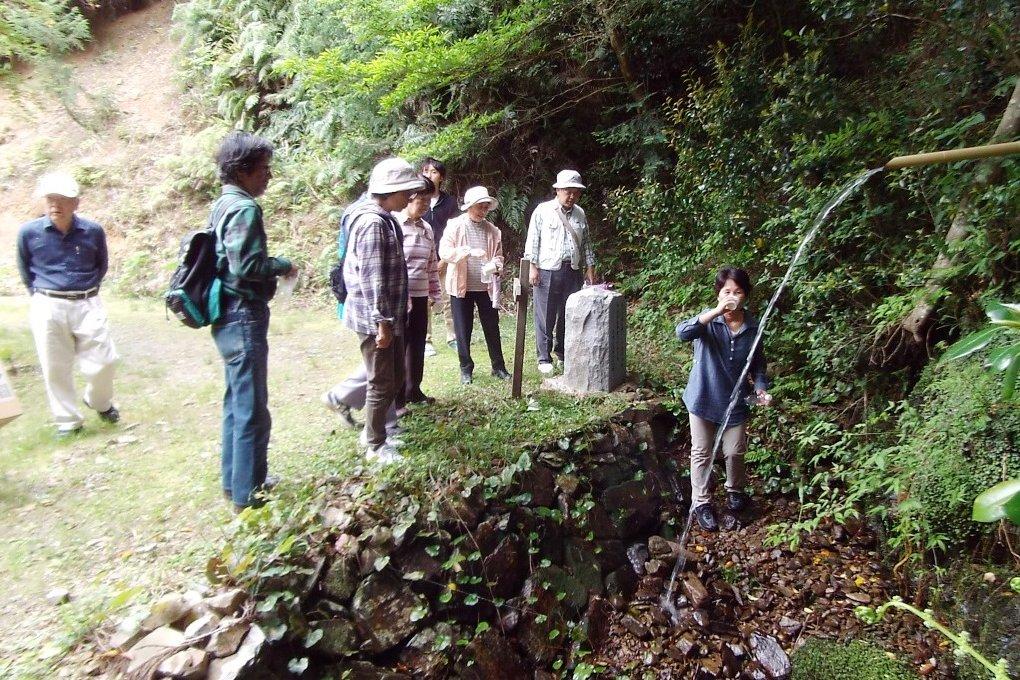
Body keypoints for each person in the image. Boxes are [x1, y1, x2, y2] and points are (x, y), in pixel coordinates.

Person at [209, 131, 296, 511]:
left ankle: (240, 480)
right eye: (263, 169)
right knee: (251, 406)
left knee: (236, 400)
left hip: (225, 314)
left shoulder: (223, 204)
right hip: (242, 314)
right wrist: (283, 265)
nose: (268, 176)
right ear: (243, 171)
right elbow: (246, 266)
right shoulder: (244, 208)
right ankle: (248, 494)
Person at [16, 172, 119, 436]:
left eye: (62, 199)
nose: (55, 205)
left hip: (87, 301)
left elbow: (101, 265)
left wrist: (87, 288)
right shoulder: (29, 233)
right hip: (48, 304)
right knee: (55, 365)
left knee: (105, 360)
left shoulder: (92, 231)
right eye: (51, 198)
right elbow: (25, 268)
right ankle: (67, 421)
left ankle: (98, 401)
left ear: (76, 203)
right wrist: (42, 295)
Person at [675, 267, 772, 532]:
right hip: (703, 396)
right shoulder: (708, 322)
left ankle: (734, 491)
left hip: (736, 401)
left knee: (735, 451)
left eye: (737, 292)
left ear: (746, 295)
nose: (732, 296)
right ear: (718, 294)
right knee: (702, 452)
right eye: (727, 291)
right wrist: (717, 311)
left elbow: (759, 366)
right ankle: (701, 502)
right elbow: (682, 333)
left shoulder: (753, 328)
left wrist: (761, 388)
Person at [343, 157, 426, 461]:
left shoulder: (383, 218)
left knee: (390, 377)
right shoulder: (373, 223)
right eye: (407, 191)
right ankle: (375, 443)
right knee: (380, 381)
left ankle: (381, 433)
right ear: (391, 191)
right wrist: (383, 323)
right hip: (375, 318)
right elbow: (373, 277)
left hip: (388, 315)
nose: (410, 198)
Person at [523, 169, 596, 375]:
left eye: (575, 192)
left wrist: (590, 267)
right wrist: (532, 267)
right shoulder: (543, 211)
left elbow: (587, 243)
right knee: (545, 315)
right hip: (547, 269)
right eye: (567, 191)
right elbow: (533, 240)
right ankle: (543, 357)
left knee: (568, 313)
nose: (571, 196)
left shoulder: (580, 213)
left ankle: (563, 353)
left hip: (572, 269)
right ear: (557, 190)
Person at [439, 186, 509, 385]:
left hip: (485, 287)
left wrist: (495, 265)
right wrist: (467, 252)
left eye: (486, 207)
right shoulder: (455, 226)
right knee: (463, 329)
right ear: (469, 206)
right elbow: (445, 251)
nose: (483, 211)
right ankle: (466, 369)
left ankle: (498, 366)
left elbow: (499, 256)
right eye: (479, 206)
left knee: (492, 327)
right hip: (461, 287)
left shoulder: (493, 231)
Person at [395, 178, 441, 405]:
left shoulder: (427, 228)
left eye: (429, 201)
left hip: (421, 294)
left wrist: (434, 294)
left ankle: (414, 389)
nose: (425, 205)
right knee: (399, 345)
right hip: (400, 296)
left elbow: (432, 263)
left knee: (417, 342)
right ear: (410, 197)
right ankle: (398, 393)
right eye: (422, 200)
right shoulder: (395, 224)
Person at [421, 158, 458, 356]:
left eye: (434, 172)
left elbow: (454, 232)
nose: (429, 175)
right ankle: (426, 340)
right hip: (422, 260)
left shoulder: (450, 202)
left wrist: (444, 259)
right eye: (426, 171)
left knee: (448, 299)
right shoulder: (416, 201)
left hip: (445, 259)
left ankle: (452, 336)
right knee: (424, 300)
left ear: (441, 177)